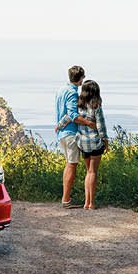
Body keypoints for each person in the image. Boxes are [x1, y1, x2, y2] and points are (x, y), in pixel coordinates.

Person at [73, 80, 108, 209]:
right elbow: (101, 125)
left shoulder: (79, 106)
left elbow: (71, 117)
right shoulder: (96, 106)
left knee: (88, 172)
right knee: (93, 172)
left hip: (83, 143)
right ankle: (91, 203)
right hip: (94, 142)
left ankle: (86, 203)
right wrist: (105, 141)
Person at [54, 65, 85, 208]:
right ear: (80, 79)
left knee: (68, 164)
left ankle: (66, 198)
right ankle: (66, 199)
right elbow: (72, 115)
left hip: (62, 133)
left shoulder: (61, 90)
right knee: (72, 164)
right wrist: (90, 123)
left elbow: (63, 113)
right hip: (70, 133)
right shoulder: (73, 93)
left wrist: (59, 125)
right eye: (83, 78)